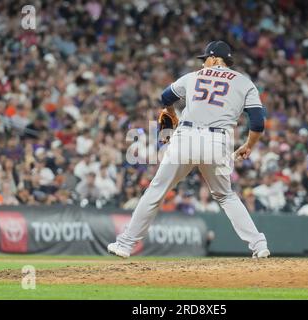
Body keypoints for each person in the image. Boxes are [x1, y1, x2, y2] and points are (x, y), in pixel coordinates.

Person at [108, 41, 270, 258]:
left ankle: (125, 244)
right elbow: (258, 123)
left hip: (186, 138)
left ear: (214, 59)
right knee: (226, 196)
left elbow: (165, 97)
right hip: (217, 142)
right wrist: (248, 145)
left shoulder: (192, 77)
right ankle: (259, 245)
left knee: (156, 190)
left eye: (205, 59)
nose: (204, 64)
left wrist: (170, 112)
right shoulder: (244, 83)